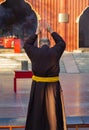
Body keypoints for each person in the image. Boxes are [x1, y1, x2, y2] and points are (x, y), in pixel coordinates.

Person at [23, 22, 66, 130]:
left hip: (38, 87)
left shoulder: (34, 52)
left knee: (37, 110)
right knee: (53, 111)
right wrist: (51, 31)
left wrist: (36, 33)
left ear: (39, 44)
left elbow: (27, 45)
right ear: (49, 44)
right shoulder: (55, 51)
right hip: (53, 87)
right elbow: (62, 43)